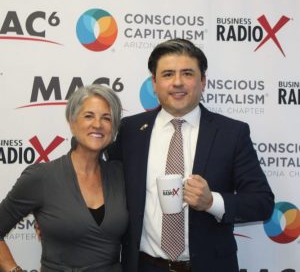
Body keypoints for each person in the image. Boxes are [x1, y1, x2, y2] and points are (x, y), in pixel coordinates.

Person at [107, 38, 275, 272]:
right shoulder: (131, 131)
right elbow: (101, 180)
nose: (177, 82)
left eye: (187, 73)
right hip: (145, 266)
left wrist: (212, 202)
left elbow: (262, 203)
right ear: (154, 83)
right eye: (167, 74)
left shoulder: (231, 133)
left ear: (203, 81)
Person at [0, 84, 128, 272]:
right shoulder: (41, 177)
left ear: (114, 127)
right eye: (89, 116)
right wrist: (13, 270)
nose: (98, 124)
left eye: (106, 118)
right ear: (72, 121)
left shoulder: (120, 174)